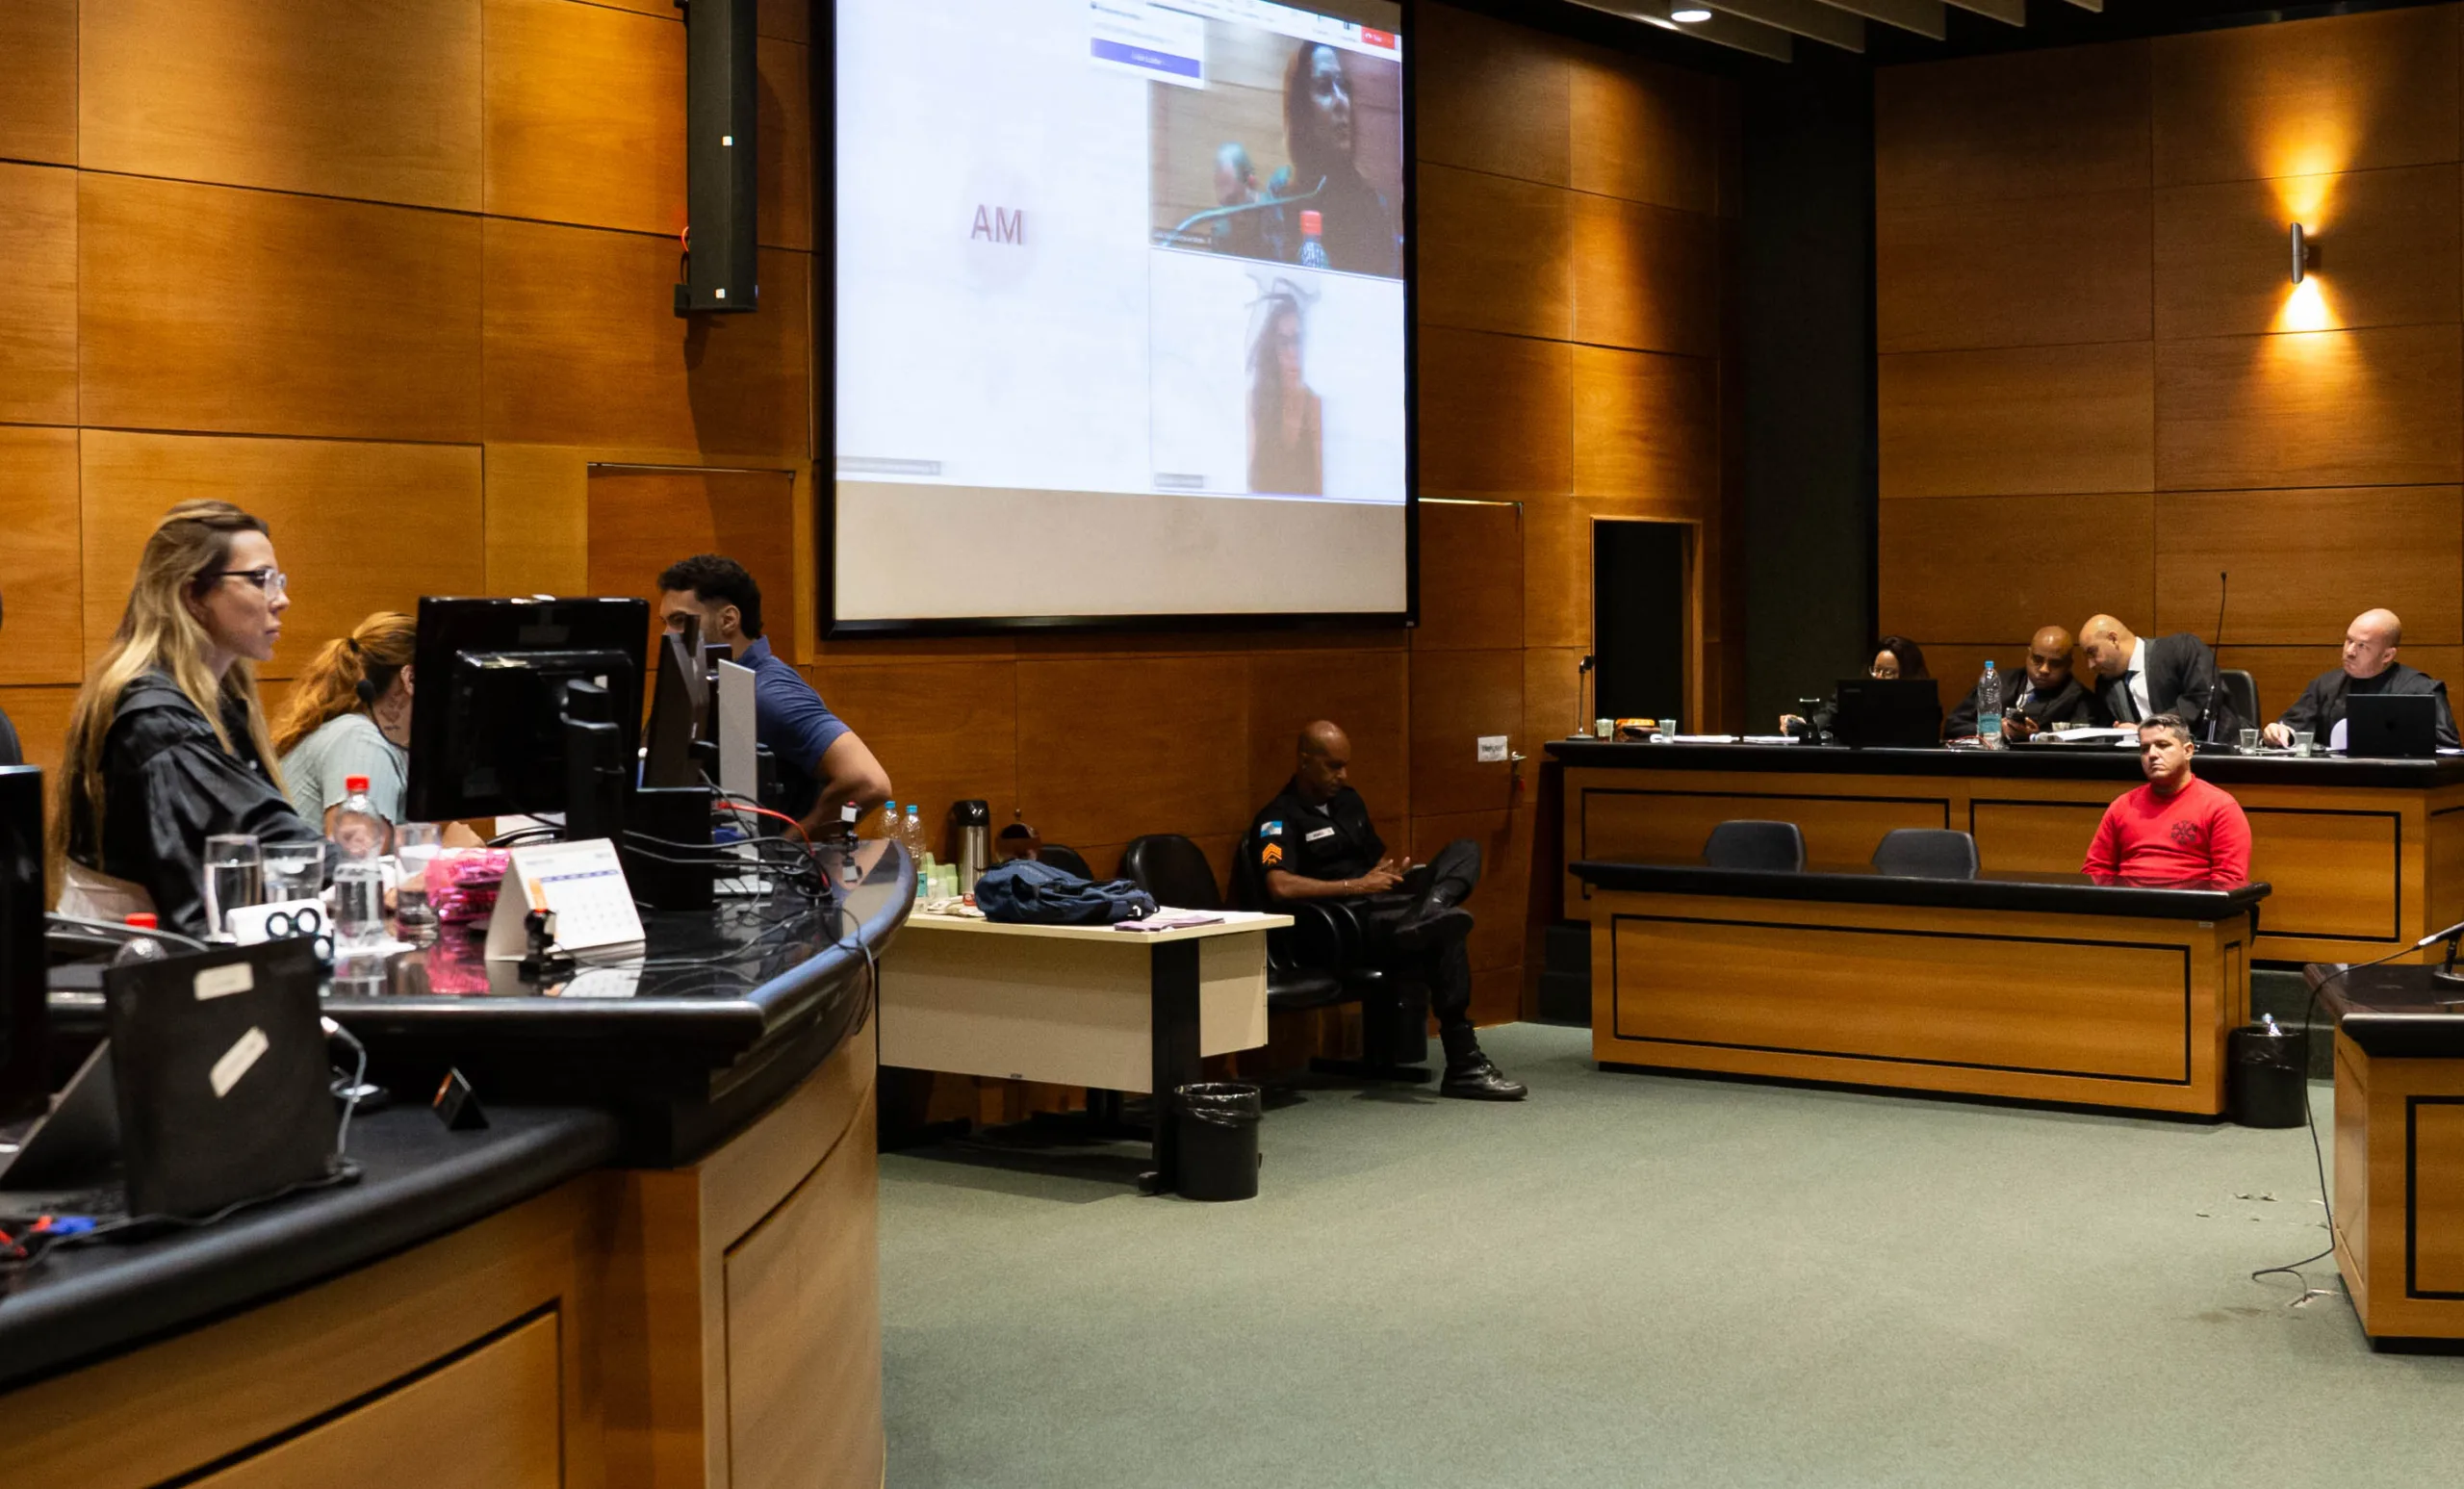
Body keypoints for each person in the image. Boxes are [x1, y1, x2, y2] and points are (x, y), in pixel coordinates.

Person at [52, 501, 321, 936]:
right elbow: (257, 832)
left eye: (278, 580)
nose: (281, 599)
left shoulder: (220, 700)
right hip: (124, 968)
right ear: (193, 594)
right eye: (260, 580)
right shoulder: (157, 720)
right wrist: (357, 872)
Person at [1248, 721, 1526, 1100]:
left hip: (1384, 907)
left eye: (1345, 765)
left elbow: (1375, 860)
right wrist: (1355, 886)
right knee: (1445, 936)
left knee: (1464, 850)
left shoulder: (1349, 802)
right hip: (1343, 927)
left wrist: (1395, 874)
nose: (1342, 775)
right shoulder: (1277, 818)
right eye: (1333, 766)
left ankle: (1431, 907)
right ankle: (1465, 1066)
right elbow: (1279, 885)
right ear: (1304, 762)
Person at [655, 554, 891, 835]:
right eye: (665, 622)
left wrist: (787, 847)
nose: (667, 634)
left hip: (774, 875)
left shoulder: (768, 694)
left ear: (729, 620)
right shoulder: (722, 688)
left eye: (680, 620)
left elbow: (869, 783)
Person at [273, 610, 415, 834]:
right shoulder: (360, 741)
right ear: (410, 679)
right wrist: (451, 854)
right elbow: (356, 860)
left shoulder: (360, 733)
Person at [1275, 41, 1399, 275]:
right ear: (1302, 110)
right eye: (1324, 88)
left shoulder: (1373, 204)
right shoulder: (1280, 193)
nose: (1341, 101)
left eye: (1343, 86)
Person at [2082, 713, 2251, 885]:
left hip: (2191, 907)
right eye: (2145, 749)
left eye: (2163, 745)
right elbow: (2096, 869)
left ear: (2188, 751)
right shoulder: (2122, 805)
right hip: (2128, 905)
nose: (2152, 754)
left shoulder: (2220, 807)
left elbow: (2230, 880)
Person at [2265, 607, 2459, 751]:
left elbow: (2446, 750)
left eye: (2362, 646)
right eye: (2349, 640)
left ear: (2387, 656)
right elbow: (2294, 729)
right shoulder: (2325, 685)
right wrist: (2280, 733)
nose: (2349, 652)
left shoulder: (2421, 690)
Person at [2078, 614, 2232, 737]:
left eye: (2092, 652)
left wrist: (2146, 729)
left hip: (2218, 754)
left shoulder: (2181, 649)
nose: (2090, 665)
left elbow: (2202, 699)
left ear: (2113, 639)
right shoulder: (2106, 685)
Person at [1943, 626, 2104, 741]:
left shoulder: (2080, 699)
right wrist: (1994, 729)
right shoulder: (2000, 682)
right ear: (2028, 656)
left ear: (2068, 665)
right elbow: (1953, 725)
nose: (2044, 669)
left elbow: (2083, 742)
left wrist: (2034, 736)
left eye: (2055, 664)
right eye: (2038, 660)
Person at [1247, 288, 1322, 496]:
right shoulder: (1254, 401)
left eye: (1297, 340)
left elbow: (1321, 487)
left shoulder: (1314, 404)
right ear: (1273, 349)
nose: (1292, 353)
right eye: (1283, 342)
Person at [1780, 635, 1930, 736]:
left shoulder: (1922, 701)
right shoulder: (1853, 695)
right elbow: (1827, 717)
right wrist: (1804, 725)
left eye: (1889, 672)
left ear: (1908, 675)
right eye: (1876, 670)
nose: (1879, 677)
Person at [1206, 142, 1272, 261]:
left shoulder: (1272, 216)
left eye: (1233, 199)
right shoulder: (1220, 228)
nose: (1223, 197)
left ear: (1250, 182)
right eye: (1218, 185)